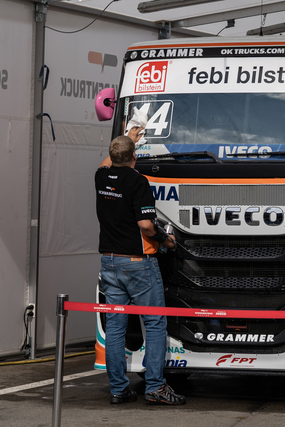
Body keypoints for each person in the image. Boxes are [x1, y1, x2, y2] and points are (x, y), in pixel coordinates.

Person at [95, 134, 186, 405]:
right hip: (137, 264)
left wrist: (126, 140)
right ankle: (156, 387)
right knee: (155, 323)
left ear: (113, 157)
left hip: (109, 261)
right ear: (135, 157)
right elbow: (146, 225)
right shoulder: (138, 181)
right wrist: (166, 240)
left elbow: (106, 162)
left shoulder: (100, 177)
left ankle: (118, 389)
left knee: (115, 326)